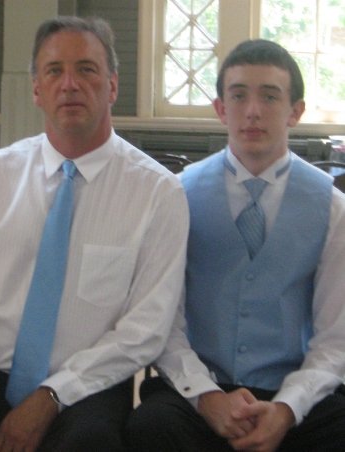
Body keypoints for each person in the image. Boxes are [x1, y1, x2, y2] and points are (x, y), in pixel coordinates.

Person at [0, 16, 188, 452]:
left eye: (86, 69)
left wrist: (51, 396)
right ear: (35, 89)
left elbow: (145, 329)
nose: (69, 84)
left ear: (112, 86)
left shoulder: (157, 193)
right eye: (54, 71)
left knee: (91, 445)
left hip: (86, 386)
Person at [126, 39, 345, 451]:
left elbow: (336, 337)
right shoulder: (177, 195)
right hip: (200, 387)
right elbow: (162, 319)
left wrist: (287, 408)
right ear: (221, 109)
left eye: (270, 97)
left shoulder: (332, 208)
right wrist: (206, 397)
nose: (253, 111)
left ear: (295, 111)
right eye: (239, 96)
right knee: (150, 427)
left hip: (293, 391)